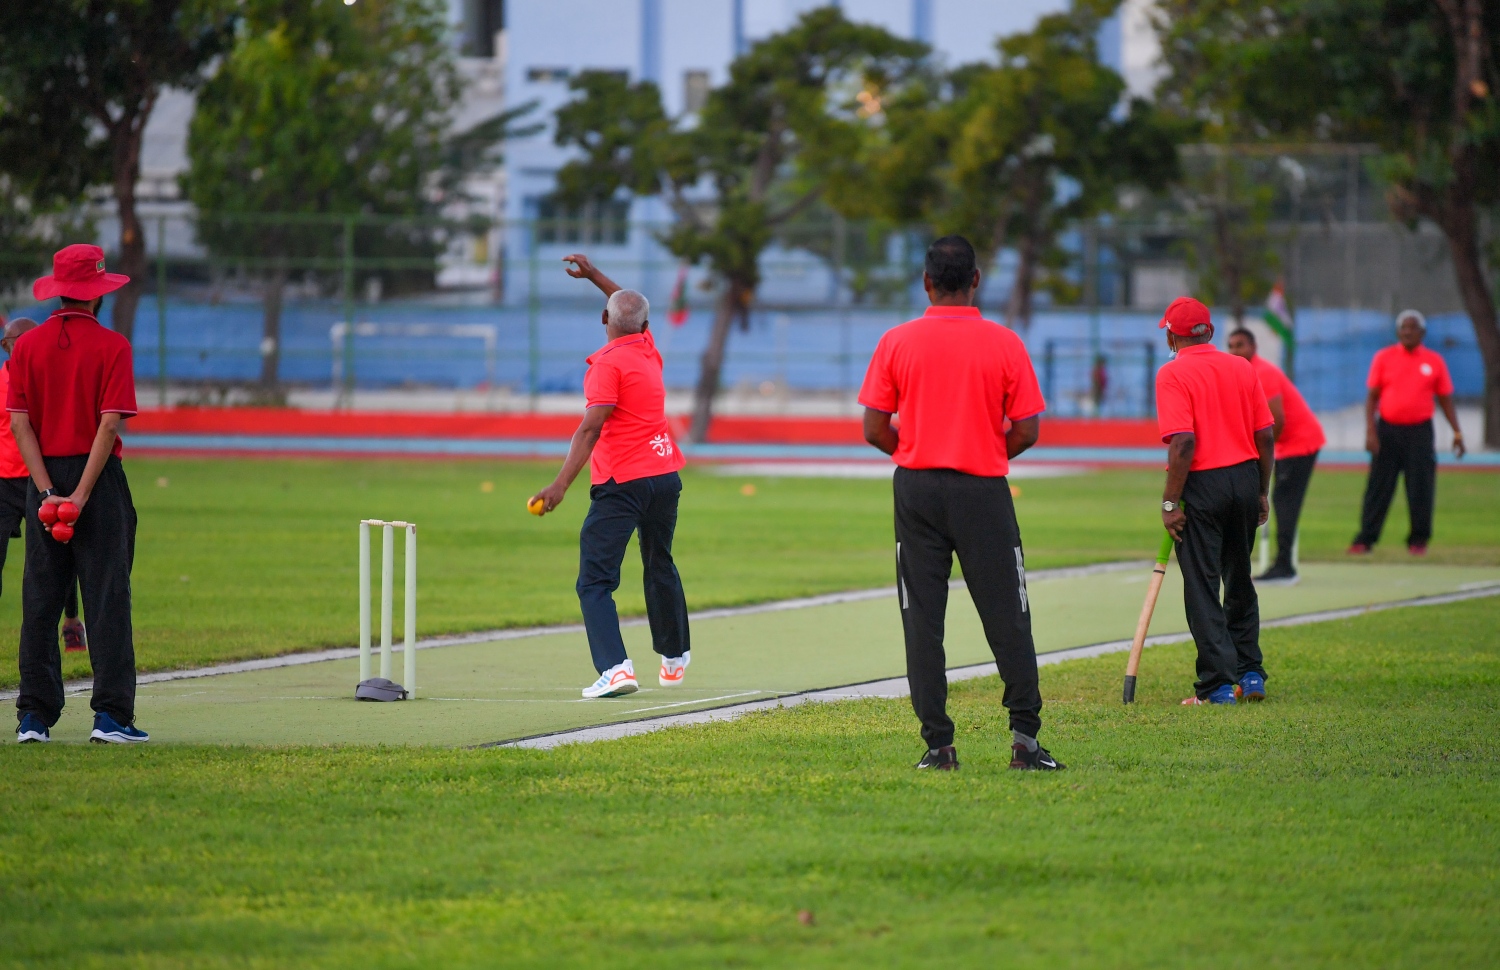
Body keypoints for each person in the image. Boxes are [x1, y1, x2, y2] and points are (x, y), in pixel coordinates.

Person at [859, 235, 1060, 772]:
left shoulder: (897, 340)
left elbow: (874, 427)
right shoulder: (1004, 343)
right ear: (976, 281)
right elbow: (1029, 429)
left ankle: (939, 746)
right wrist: (988, 447)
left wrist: (917, 448)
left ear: (926, 283)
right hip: (982, 489)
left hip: (917, 488)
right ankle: (1024, 740)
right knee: (1008, 613)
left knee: (922, 618)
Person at [528, 253, 690, 699]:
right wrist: (596, 275)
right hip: (665, 477)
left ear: (604, 319)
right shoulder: (647, 349)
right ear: (643, 325)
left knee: (595, 579)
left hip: (623, 484)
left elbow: (591, 427)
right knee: (659, 561)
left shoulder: (607, 365)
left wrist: (560, 484)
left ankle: (616, 669)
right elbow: (629, 307)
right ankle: (674, 657)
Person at [12, 244, 145, 744]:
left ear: (58, 291)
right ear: (97, 294)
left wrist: (47, 491)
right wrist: (83, 494)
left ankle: (33, 717)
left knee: (41, 597)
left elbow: (20, 424)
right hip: (97, 478)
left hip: (42, 475)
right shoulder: (113, 347)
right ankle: (111, 716)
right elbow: (108, 425)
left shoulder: (26, 347)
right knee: (107, 595)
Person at [1155, 297, 1275, 706]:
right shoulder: (1241, 367)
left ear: (1173, 335)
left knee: (1203, 586)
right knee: (1239, 578)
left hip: (1202, 484)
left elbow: (1184, 442)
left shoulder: (1172, 374)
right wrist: (1261, 490)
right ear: (1207, 330)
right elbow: (1266, 436)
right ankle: (1251, 672)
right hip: (1244, 476)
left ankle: (1218, 686)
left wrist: (1171, 503)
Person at [1349, 309, 1466, 557]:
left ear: (1422, 333)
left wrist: (1457, 432)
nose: (1408, 332)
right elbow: (1372, 398)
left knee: (1420, 487)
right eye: (1404, 327)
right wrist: (1371, 431)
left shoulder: (1434, 361)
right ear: (1398, 332)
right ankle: (1365, 539)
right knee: (1379, 487)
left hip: (1420, 433)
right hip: (1388, 430)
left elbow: (1445, 399)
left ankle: (1418, 540)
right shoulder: (1384, 357)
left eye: (1413, 328)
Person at [0, 316, 85, 651]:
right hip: (4, 482)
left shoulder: (49, 379)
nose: (8, 346)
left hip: (41, 482)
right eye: (6, 342)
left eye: (13, 339)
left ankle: (71, 621)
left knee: (58, 555)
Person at [1227, 328, 1325, 584]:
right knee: (1280, 500)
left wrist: (1263, 455)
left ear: (1254, 346)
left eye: (1241, 345)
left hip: (1299, 443)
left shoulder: (1263, 373)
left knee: (1284, 502)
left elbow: (1276, 420)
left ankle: (1284, 566)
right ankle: (1281, 563)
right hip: (1284, 445)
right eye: (1231, 346)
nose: (1235, 351)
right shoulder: (1242, 374)